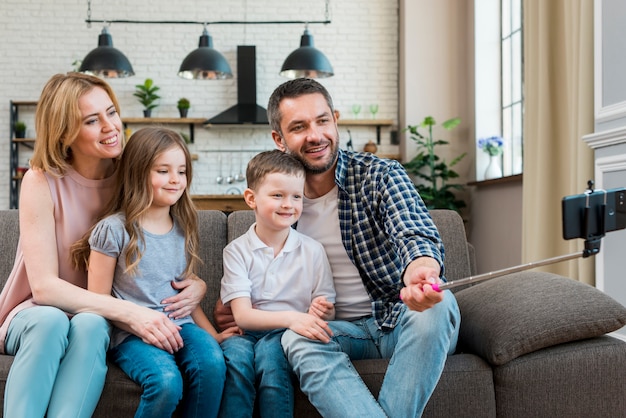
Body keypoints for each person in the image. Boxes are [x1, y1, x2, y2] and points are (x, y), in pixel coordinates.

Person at [215, 77, 461, 418]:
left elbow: (413, 231)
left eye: (322, 121)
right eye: (299, 127)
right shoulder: (280, 208)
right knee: (294, 338)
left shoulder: (380, 175)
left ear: (336, 120)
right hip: (338, 331)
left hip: (398, 318)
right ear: (279, 139)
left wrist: (420, 269)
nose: (315, 135)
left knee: (439, 304)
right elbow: (257, 279)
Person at [0, 72, 206, 418]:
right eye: (92, 120)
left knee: (92, 324)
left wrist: (196, 284)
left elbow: (166, 239)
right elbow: (45, 288)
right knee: (51, 321)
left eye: (111, 112)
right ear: (64, 131)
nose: (111, 126)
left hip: (95, 317)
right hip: (35, 311)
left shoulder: (133, 174)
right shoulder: (40, 180)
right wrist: (130, 312)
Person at [71, 127, 238, 418]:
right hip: (131, 333)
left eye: (182, 171)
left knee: (212, 364)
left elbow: (185, 297)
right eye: (163, 170)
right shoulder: (113, 229)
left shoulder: (183, 227)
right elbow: (97, 302)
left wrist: (213, 335)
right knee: (166, 382)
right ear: (137, 172)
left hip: (182, 326)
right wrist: (136, 325)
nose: (175, 179)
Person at [219, 150, 335, 418]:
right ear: (251, 199)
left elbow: (328, 309)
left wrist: (322, 310)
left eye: (296, 196)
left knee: (272, 359)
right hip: (245, 334)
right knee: (235, 359)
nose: (288, 204)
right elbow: (243, 317)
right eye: (277, 195)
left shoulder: (313, 250)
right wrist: (293, 318)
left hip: (287, 336)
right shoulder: (236, 251)